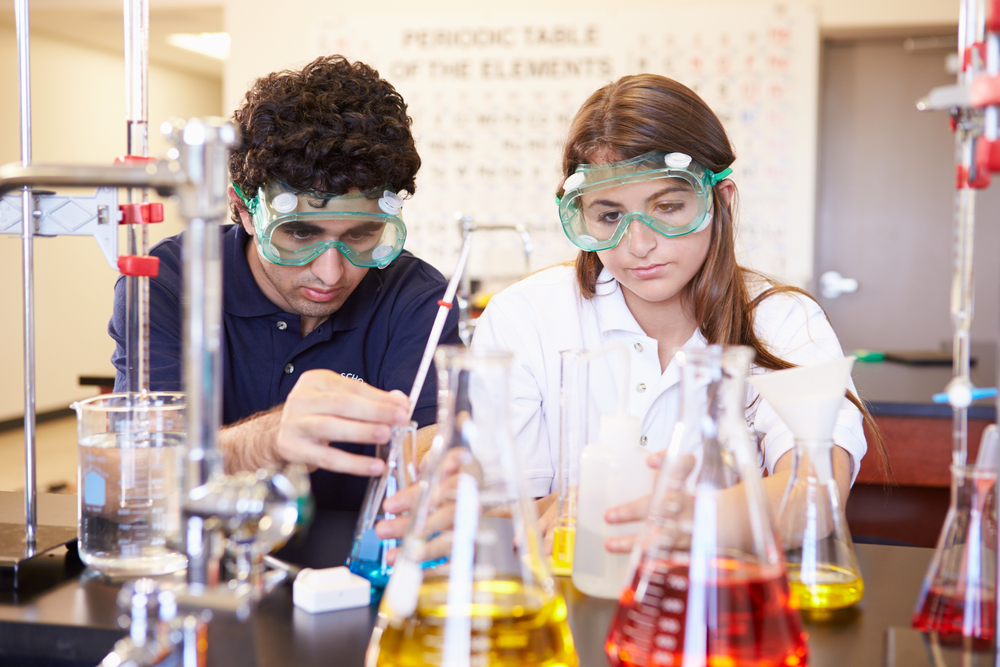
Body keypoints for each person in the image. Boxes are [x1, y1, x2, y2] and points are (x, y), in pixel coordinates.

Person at [470, 73, 886, 552]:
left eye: (667, 206)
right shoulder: (524, 318)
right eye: (608, 216)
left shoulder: (783, 319)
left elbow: (815, 495)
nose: (639, 245)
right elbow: (498, 511)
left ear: (719, 201)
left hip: (722, 606)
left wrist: (686, 518)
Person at [109, 55, 459, 512]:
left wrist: (444, 474)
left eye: (360, 235)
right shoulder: (170, 282)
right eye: (300, 233)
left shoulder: (418, 299)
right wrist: (269, 437)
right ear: (244, 209)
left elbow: (434, 450)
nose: (331, 273)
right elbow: (137, 468)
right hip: (212, 554)